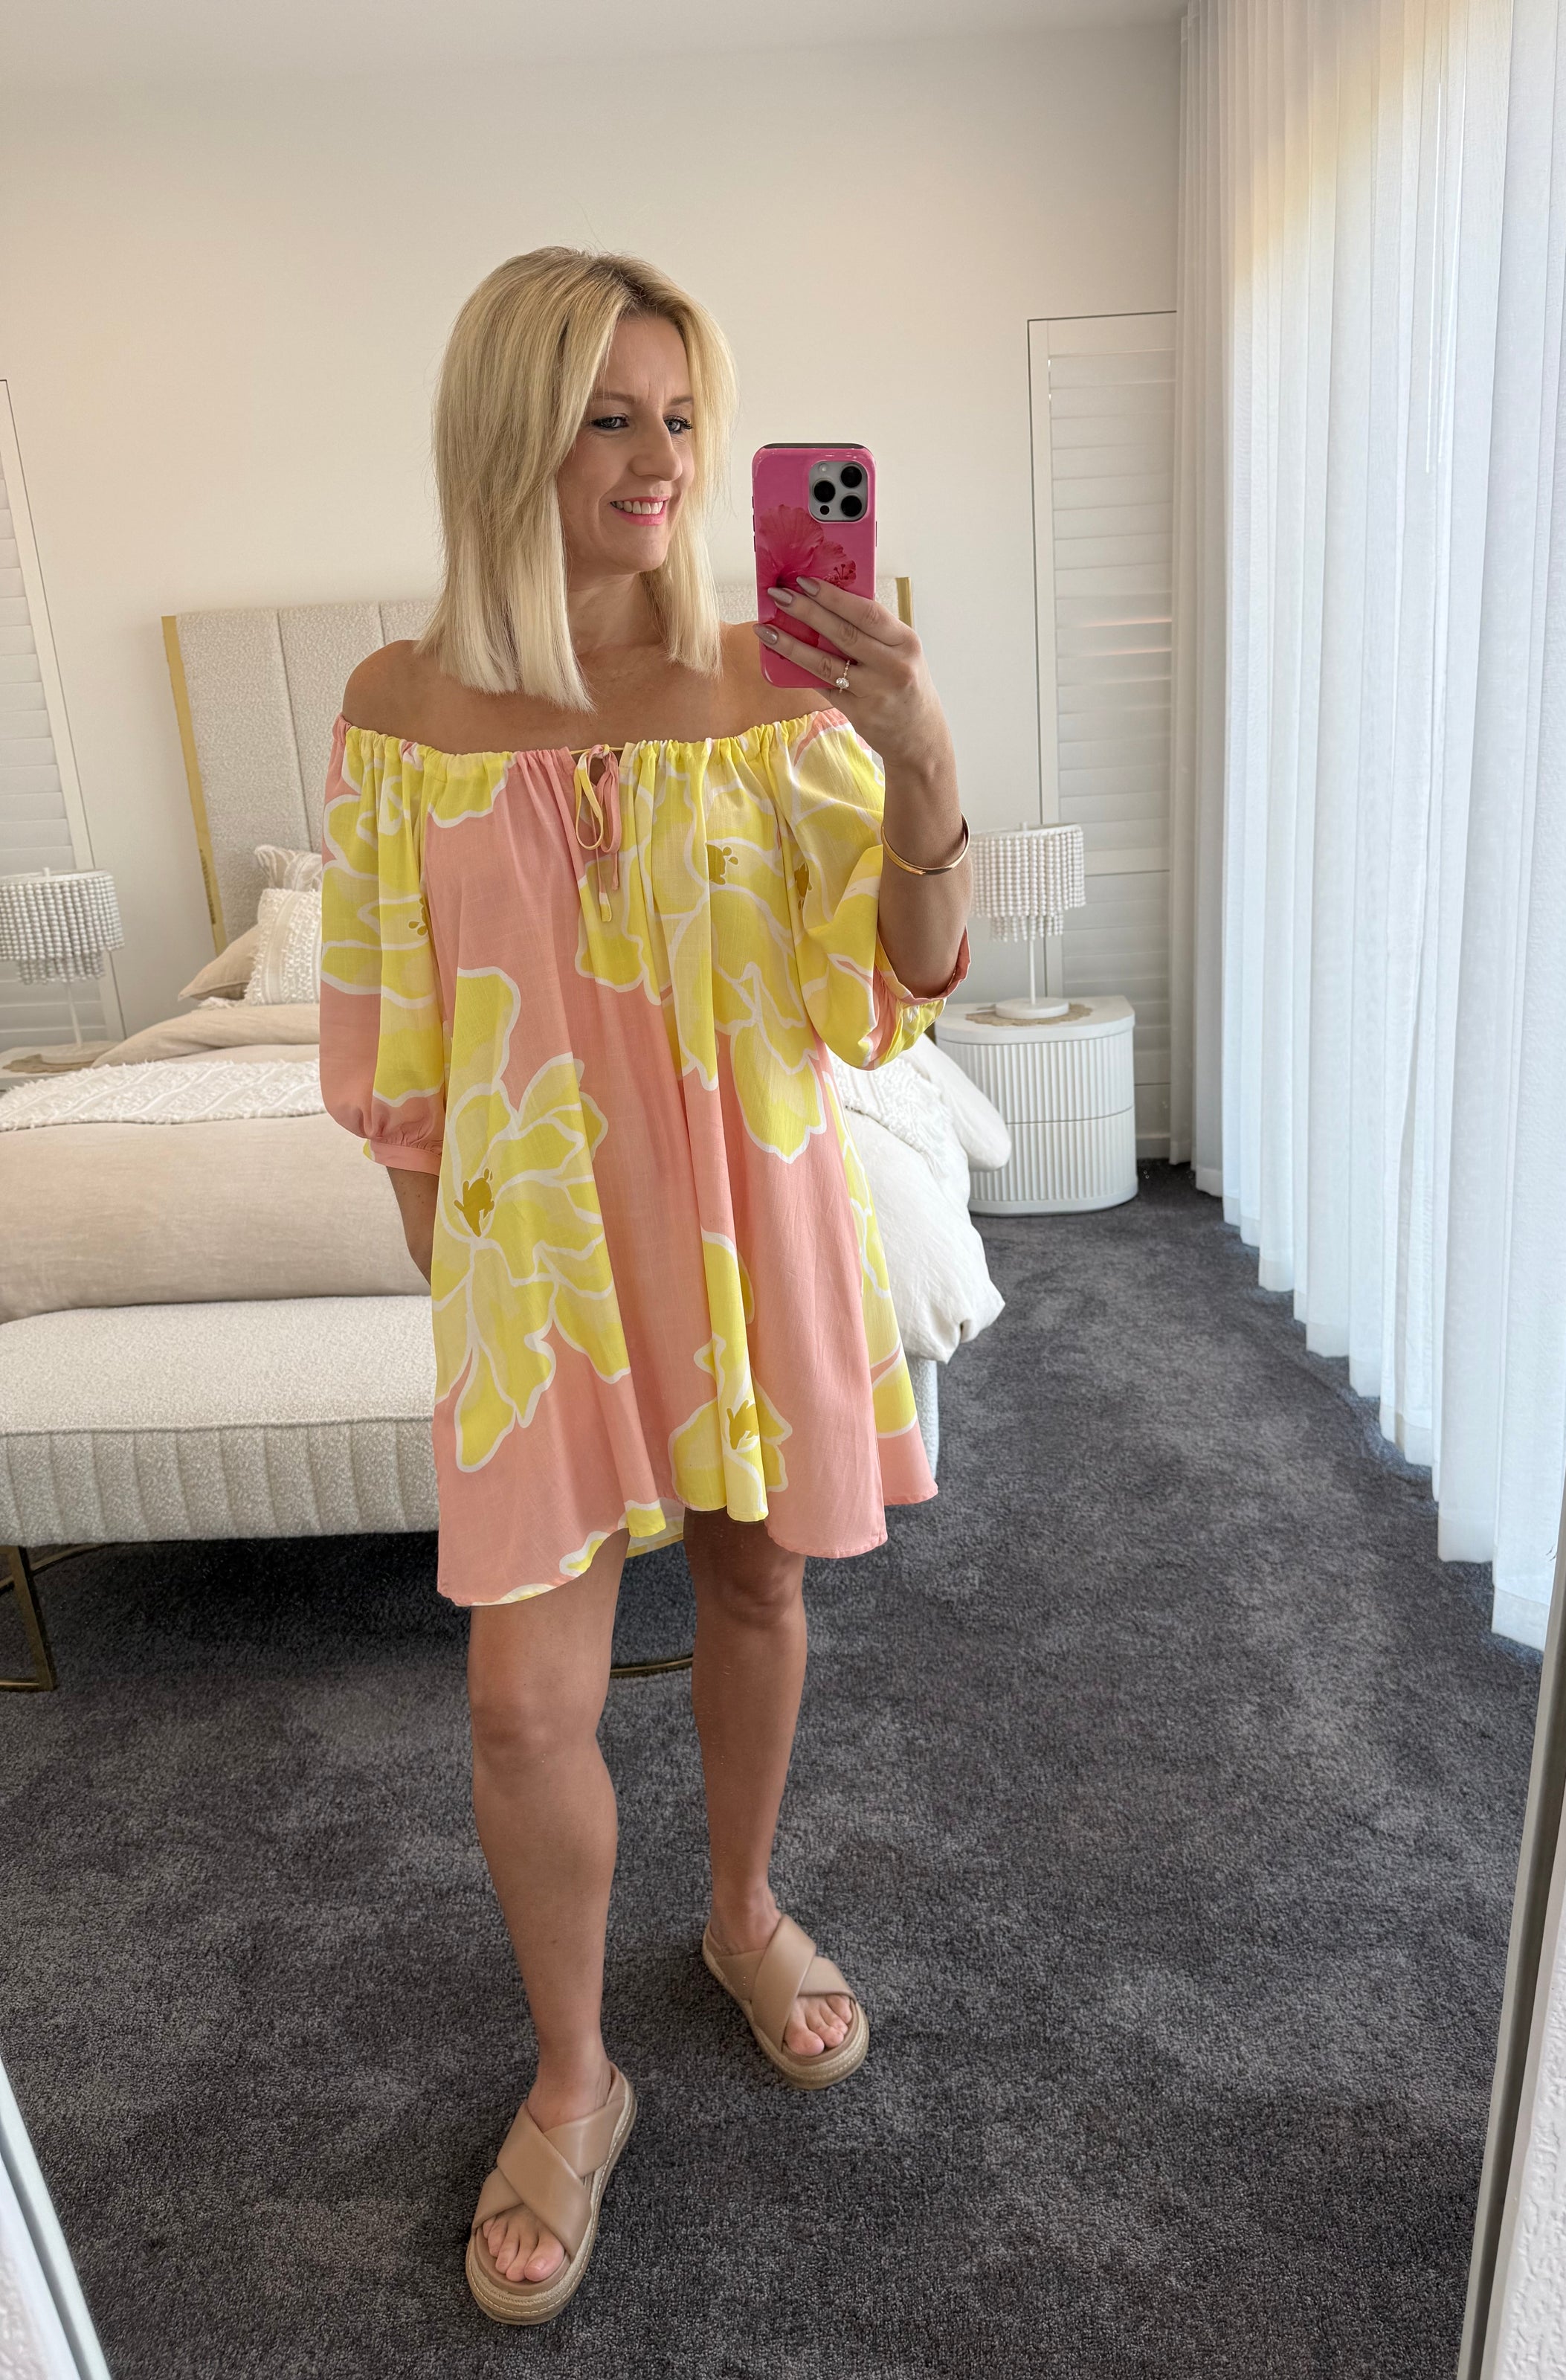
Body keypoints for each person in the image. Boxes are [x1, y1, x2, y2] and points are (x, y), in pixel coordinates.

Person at [318, 248, 971, 2326]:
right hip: (535, 1274)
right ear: (507, 435)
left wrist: (919, 750)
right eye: (608, 415)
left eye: (682, 417)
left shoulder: (779, 691)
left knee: (758, 1588)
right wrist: (458, 1291)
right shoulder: (397, 711)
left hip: (748, 1230)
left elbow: (892, 989)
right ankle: (575, 2077)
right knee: (523, 1701)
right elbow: (396, 1048)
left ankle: (743, 1910)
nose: (658, 459)